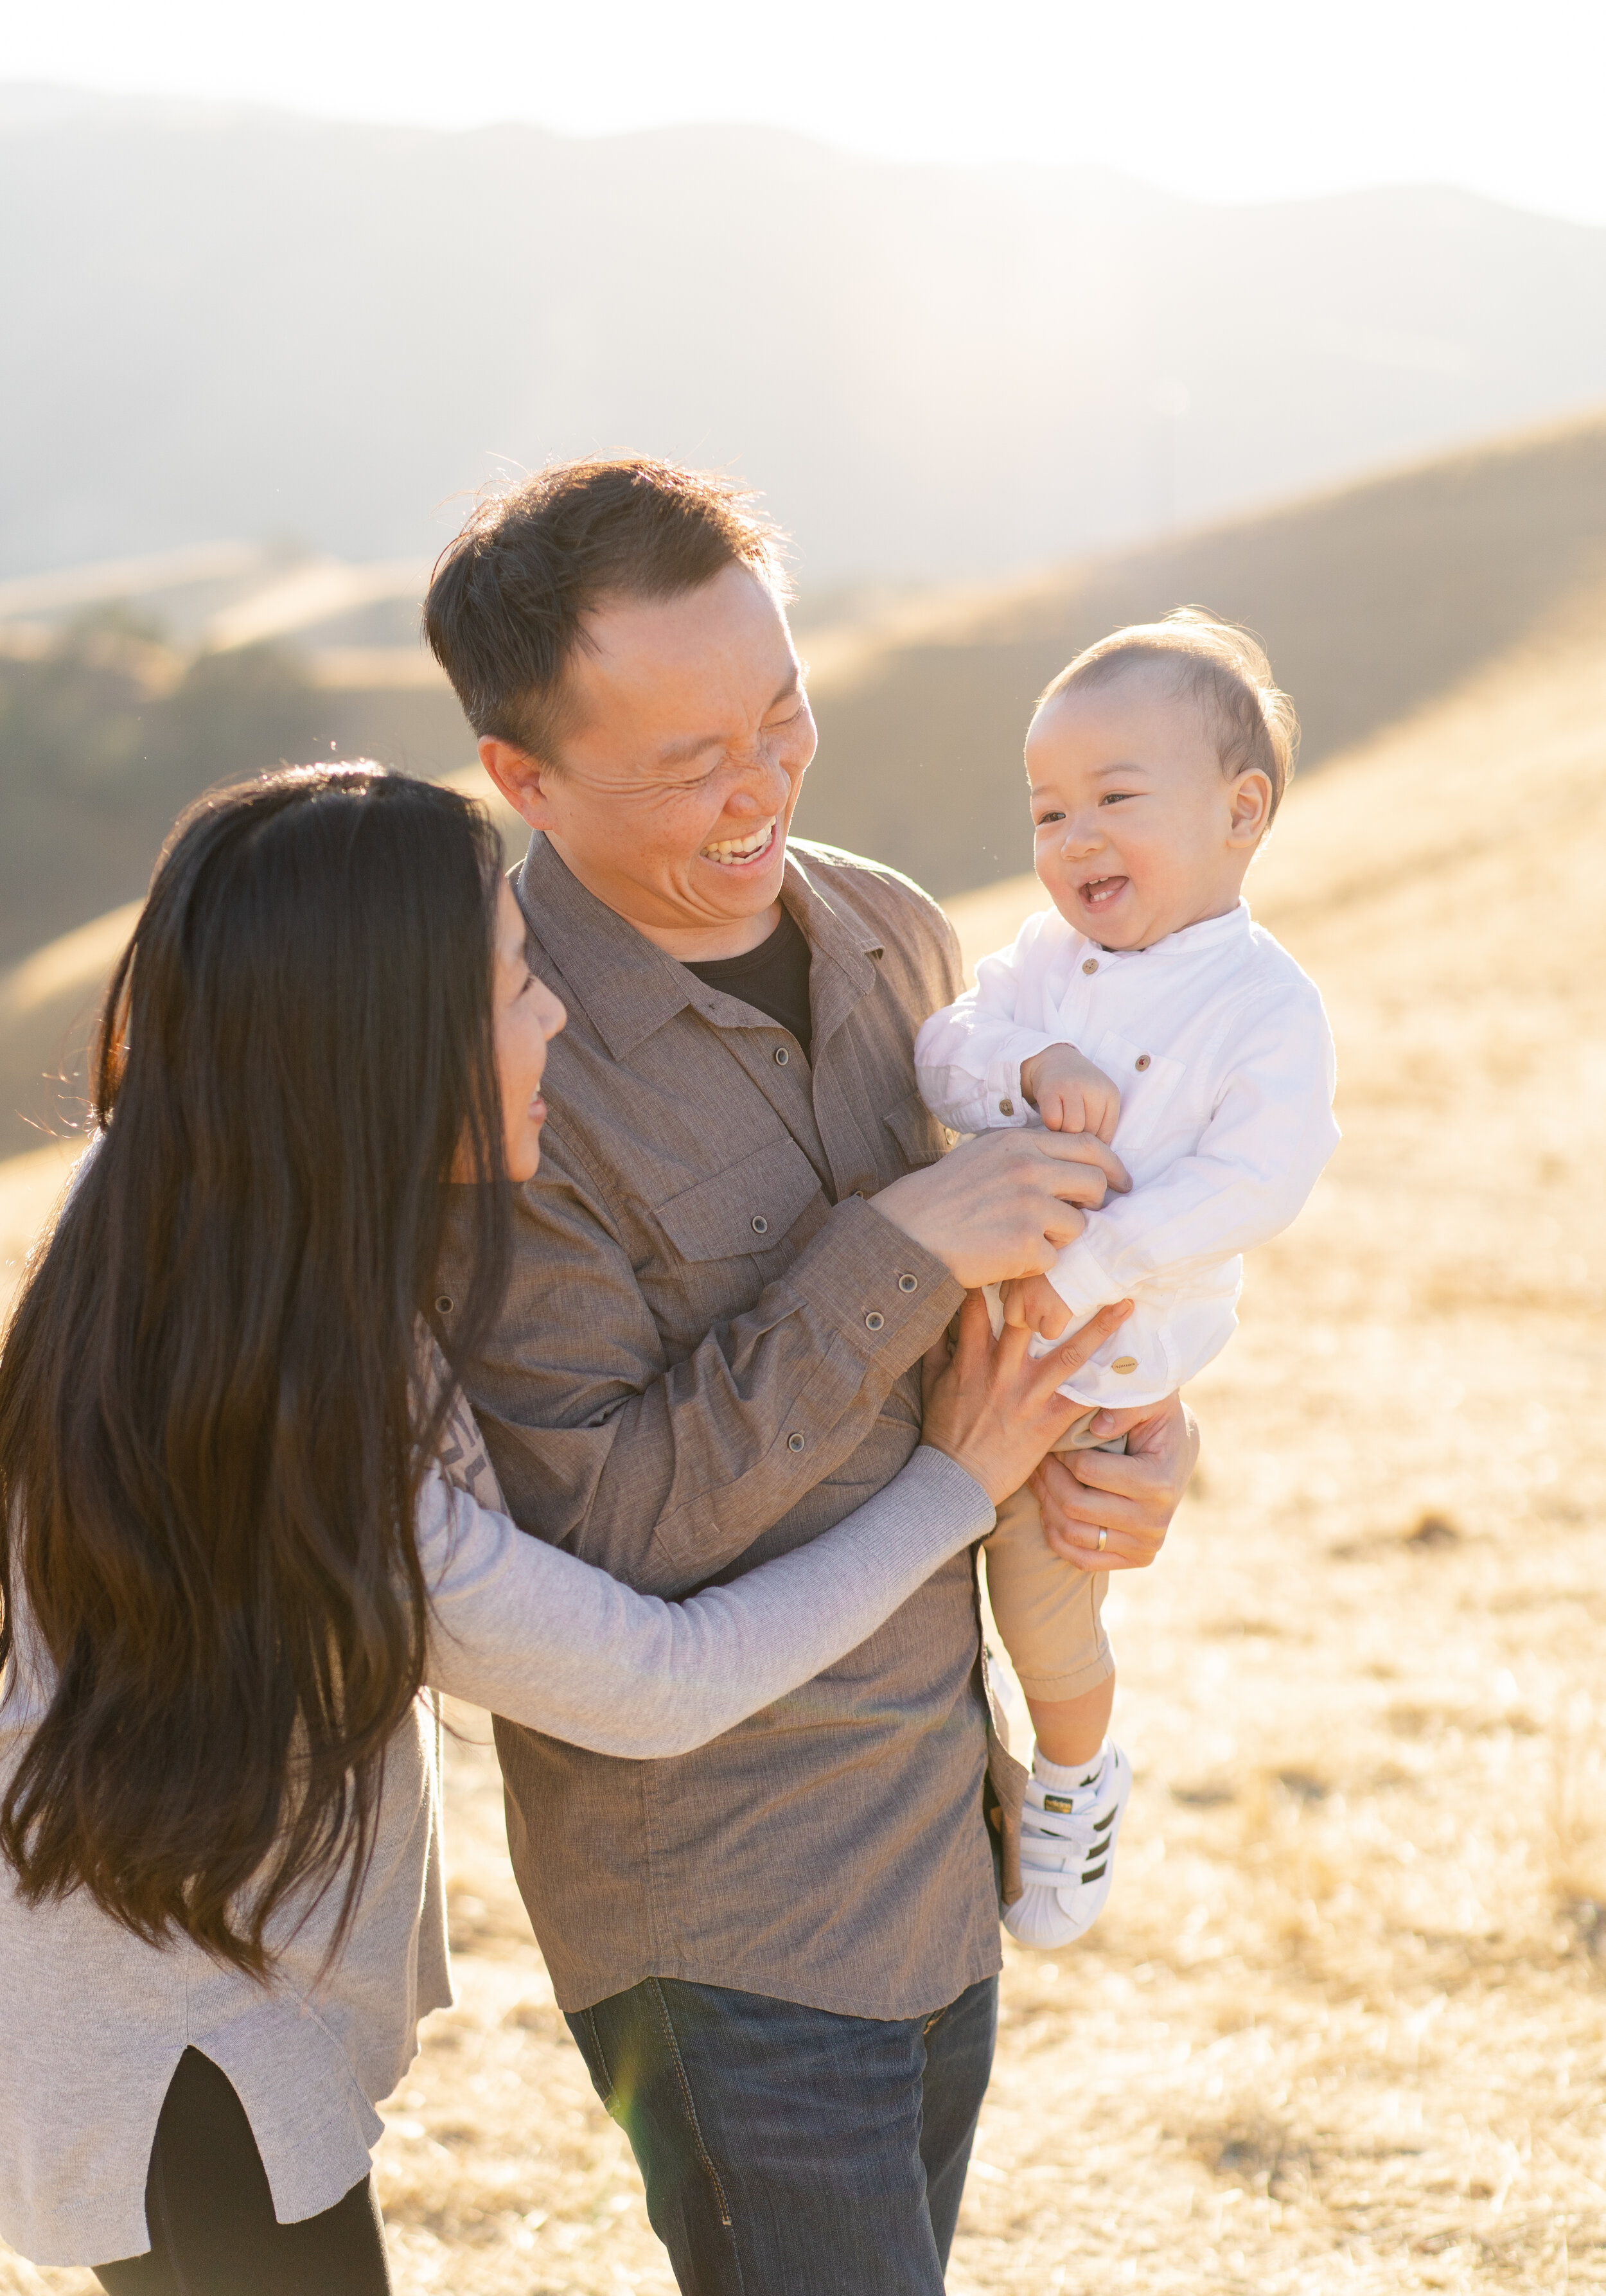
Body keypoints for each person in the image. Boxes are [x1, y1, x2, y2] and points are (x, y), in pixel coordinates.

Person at [0, 766, 1115, 2293]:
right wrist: (951, 1488)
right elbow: (655, 1683)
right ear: (389, 1041)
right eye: (517, 984)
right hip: (182, 2054)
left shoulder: (182, 1251)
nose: (554, 1025)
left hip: (162, 2007)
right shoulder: (306, 1415)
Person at [422, 457, 1201, 2295]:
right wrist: (902, 1244)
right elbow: (597, 1535)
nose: (762, 785)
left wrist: (1134, 1441)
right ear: (520, 778)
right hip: (727, 1915)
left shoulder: (894, 935)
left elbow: (1040, 1296)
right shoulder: (498, 1063)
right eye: (690, 758)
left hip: (944, 1838)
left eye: (781, 713)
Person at [915, 610, 1339, 1949]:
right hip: (952, 1336)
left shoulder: (1265, 1008)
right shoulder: (1039, 968)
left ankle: (1072, 1777)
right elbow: (943, 1046)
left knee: (1042, 1606)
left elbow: (1257, 1185)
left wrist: (1099, 1255)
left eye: (1111, 799)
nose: (1073, 839)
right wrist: (1026, 1069)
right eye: (1046, 813)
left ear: (1238, 811)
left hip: (1090, 1376)